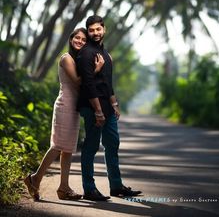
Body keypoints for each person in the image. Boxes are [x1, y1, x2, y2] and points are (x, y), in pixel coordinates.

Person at [24, 28, 104, 201]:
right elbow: (77, 81)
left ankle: (63, 187)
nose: (80, 41)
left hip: (73, 108)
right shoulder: (66, 58)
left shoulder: (79, 59)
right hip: (64, 105)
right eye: (77, 38)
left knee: (67, 149)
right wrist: (95, 70)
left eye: (83, 39)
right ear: (71, 39)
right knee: (58, 145)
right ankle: (35, 178)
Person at [77, 15, 142, 201]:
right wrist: (98, 111)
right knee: (90, 147)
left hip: (108, 108)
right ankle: (89, 188)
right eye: (91, 30)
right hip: (93, 108)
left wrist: (114, 104)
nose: (95, 33)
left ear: (104, 29)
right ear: (88, 32)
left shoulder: (106, 54)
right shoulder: (86, 53)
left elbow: (107, 83)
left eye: (98, 29)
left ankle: (116, 186)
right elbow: (89, 85)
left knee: (112, 144)